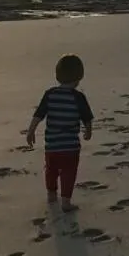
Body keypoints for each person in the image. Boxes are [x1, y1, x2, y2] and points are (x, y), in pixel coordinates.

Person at [25, 54, 94, 212]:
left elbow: (39, 115)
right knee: (68, 172)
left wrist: (31, 131)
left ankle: (51, 194)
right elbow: (87, 118)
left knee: (51, 170)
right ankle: (66, 201)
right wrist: (88, 132)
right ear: (79, 77)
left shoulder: (50, 95)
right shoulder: (78, 98)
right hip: (70, 147)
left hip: (52, 145)